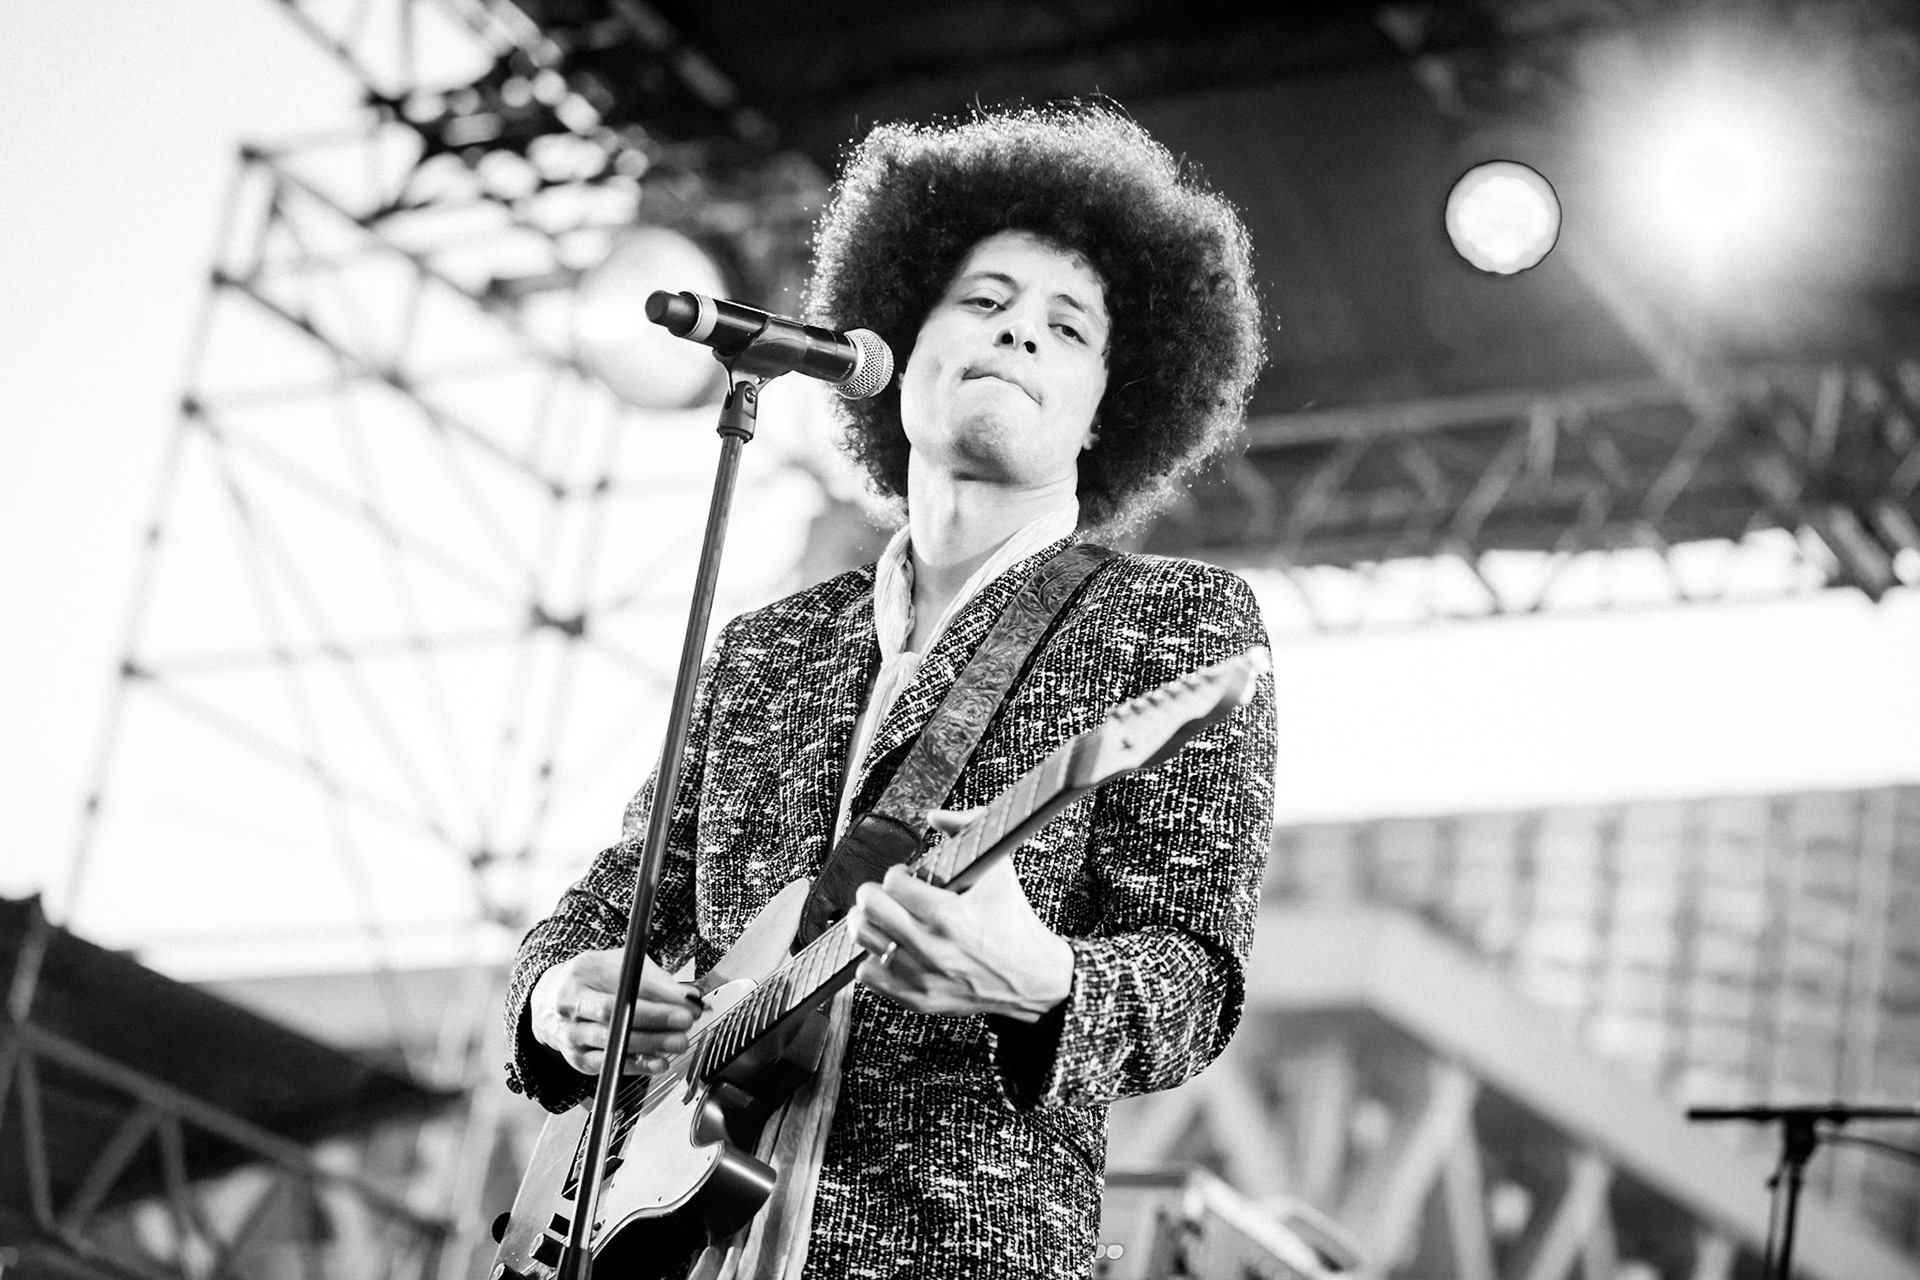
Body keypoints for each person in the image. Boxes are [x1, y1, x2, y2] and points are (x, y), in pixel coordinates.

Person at [503, 101, 1275, 1280]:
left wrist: (1047, 981)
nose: (1019, 332)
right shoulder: (765, 649)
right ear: (901, 346)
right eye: (984, 300)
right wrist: (562, 996)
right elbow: (613, 900)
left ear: (1109, 407)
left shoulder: (1176, 621)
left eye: (1068, 327)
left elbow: (1196, 977)